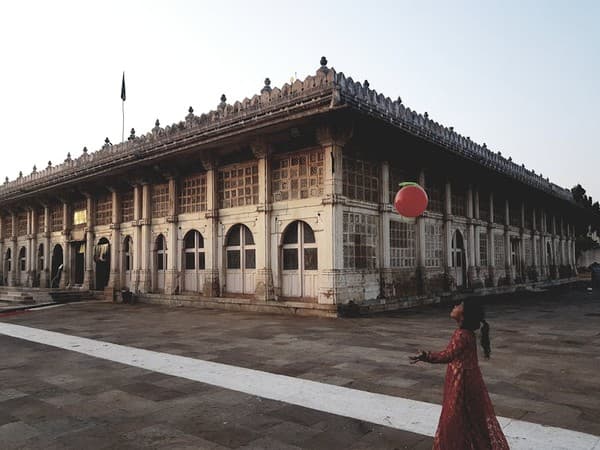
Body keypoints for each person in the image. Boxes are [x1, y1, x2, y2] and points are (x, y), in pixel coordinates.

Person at [410, 299, 509, 449]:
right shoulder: (466, 333)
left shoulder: (462, 335)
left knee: (454, 419)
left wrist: (426, 356)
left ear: (463, 315)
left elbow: (447, 355)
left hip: (461, 383)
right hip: (468, 380)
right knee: (470, 419)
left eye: (459, 306)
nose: (455, 306)